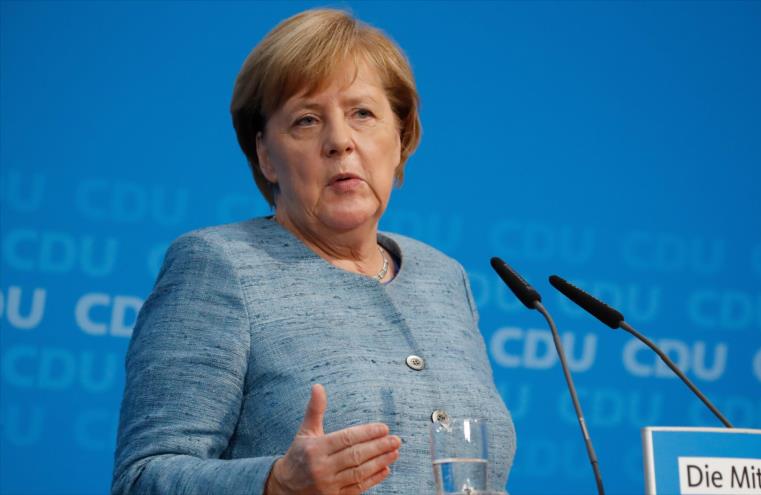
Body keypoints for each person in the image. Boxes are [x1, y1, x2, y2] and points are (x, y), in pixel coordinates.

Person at [112, 8, 515, 495]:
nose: (340, 141)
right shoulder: (219, 266)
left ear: (400, 137)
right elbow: (142, 479)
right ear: (266, 156)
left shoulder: (442, 277)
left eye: (362, 114)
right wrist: (277, 483)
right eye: (306, 120)